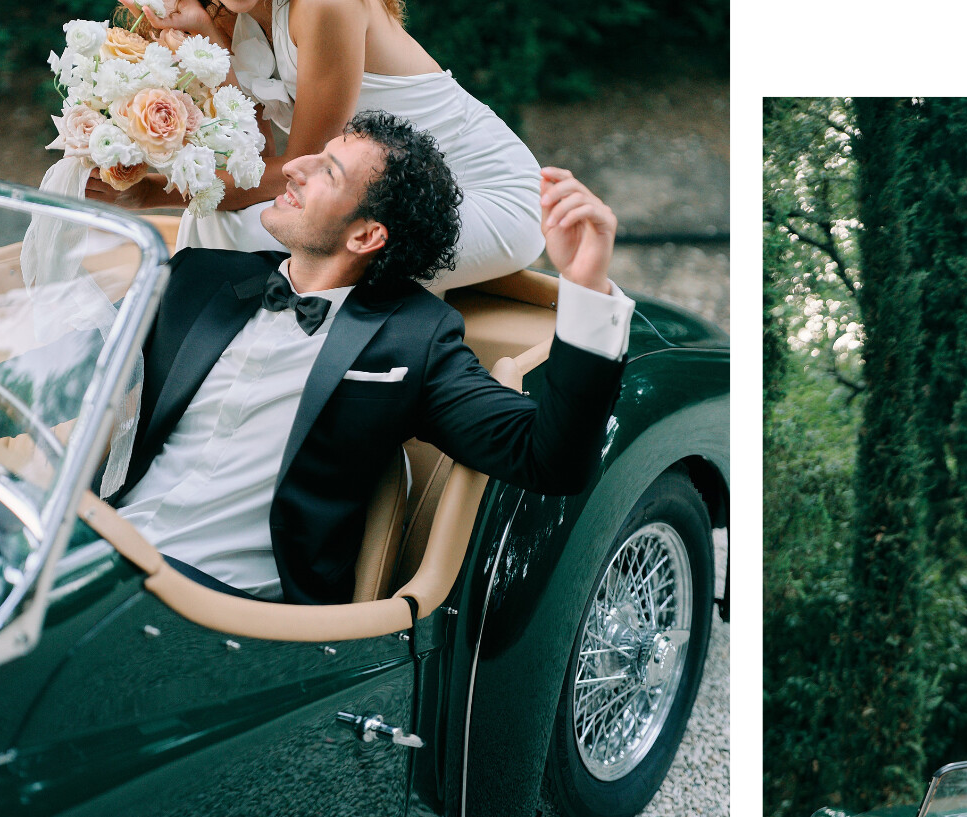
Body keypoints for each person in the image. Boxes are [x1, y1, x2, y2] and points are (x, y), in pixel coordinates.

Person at [109, 109, 627, 605]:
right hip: (95, 553)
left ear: (365, 235)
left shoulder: (412, 340)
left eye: (326, 171)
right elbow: (70, 365)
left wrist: (586, 290)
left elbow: (548, 459)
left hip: (222, 605)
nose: (292, 167)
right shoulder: (197, 277)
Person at [92, 0, 545, 294]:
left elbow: (298, 167)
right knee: (224, 225)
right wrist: (208, 39)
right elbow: (257, 159)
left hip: (479, 193)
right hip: (361, 194)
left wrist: (153, 191)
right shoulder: (226, 12)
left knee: (236, 232)